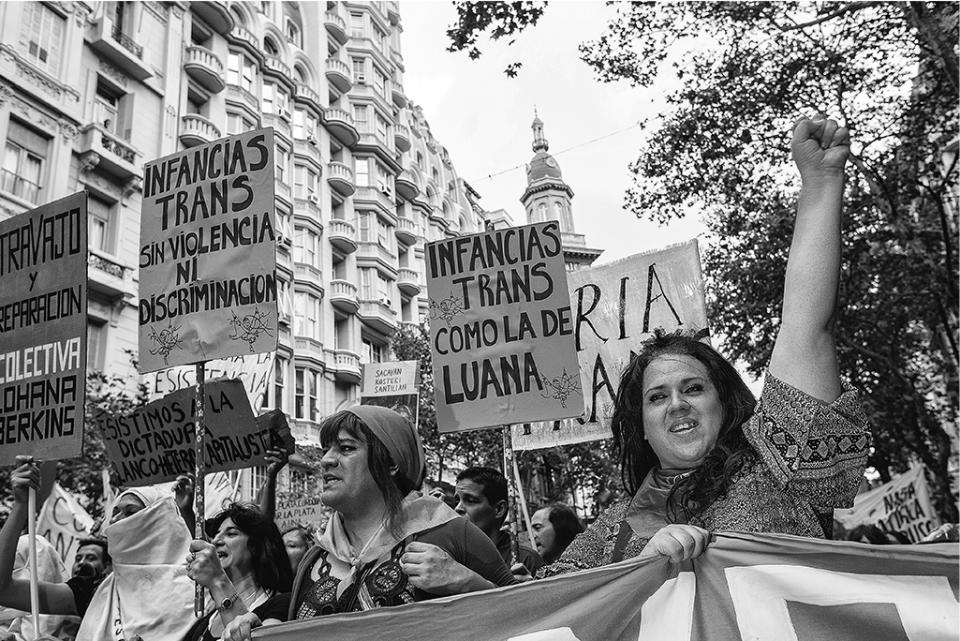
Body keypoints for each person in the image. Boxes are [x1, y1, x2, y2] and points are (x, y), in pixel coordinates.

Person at [541, 116, 871, 575]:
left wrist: (821, 181)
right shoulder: (611, 528)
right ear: (641, 423)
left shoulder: (778, 467)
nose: (676, 404)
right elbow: (550, 611)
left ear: (725, 401)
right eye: (657, 397)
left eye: (693, 388)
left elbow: (806, 325)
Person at [221, 406, 516, 641]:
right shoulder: (316, 557)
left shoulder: (450, 531)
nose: (326, 460)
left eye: (346, 449)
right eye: (326, 450)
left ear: (390, 463)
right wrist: (264, 628)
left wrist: (468, 584)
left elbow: (531, 616)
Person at [0, 461, 196, 641]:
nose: (115, 519)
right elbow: (4, 589)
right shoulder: (94, 590)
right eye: (116, 511)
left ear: (157, 524)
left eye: (130, 512)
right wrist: (21, 506)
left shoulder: (198, 588)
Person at [182, 503, 293, 641]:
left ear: (255, 546)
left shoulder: (285, 605)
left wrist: (218, 580)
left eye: (231, 534)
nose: (216, 541)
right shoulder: (204, 624)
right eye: (216, 535)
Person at [454, 467, 543, 576]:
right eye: (457, 501)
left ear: (499, 509)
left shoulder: (525, 560)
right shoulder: (451, 557)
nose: (458, 508)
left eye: (470, 501)